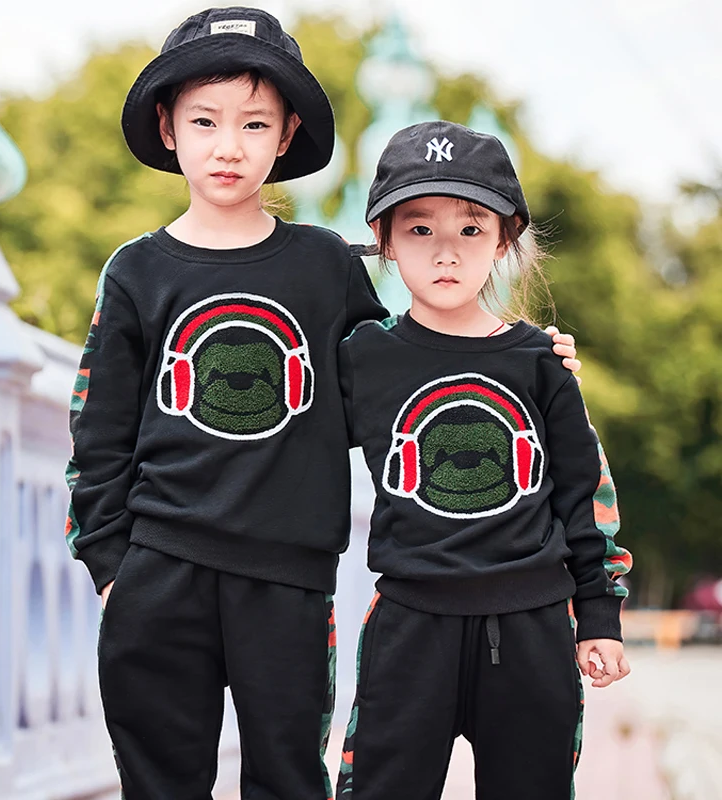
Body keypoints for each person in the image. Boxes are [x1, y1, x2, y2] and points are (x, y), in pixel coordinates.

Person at [64, 8, 580, 798]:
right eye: (204, 121)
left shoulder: (326, 265)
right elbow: (97, 430)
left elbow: (408, 371)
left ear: (287, 134)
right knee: (160, 780)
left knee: (289, 778)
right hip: (159, 569)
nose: (228, 145)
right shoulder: (135, 272)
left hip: (291, 580)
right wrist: (113, 570)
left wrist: (523, 361)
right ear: (168, 127)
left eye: (254, 123)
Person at [336, 120, 632, 800]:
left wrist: (600, 616)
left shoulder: (541, 362)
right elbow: (289, 451)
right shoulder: (362, 357)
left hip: (533, 627)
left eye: (471, 229)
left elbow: (583, 491)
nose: (446, 252)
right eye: (419, 229)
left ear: (504, 240)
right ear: (384, 240)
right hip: (410, 622)